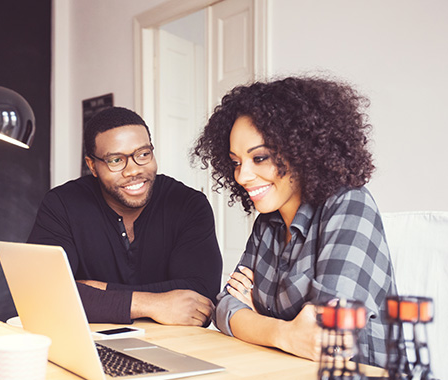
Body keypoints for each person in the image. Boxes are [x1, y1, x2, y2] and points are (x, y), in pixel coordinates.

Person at [192, 77, 396, 366]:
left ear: (304, 150)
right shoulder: (267, 223)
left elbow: (327, 335)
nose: (241, 176)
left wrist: (254, 319)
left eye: (259, 158)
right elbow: (225, 306)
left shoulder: (350, 204)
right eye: (236, 162)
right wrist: (285, 333)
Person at [28, 106, 222, 326]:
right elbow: (41, 292)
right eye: (116, 160)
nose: (133, 171)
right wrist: (152, 304)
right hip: (89, 344)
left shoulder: (188, 204)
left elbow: (201, 300)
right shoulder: (62, 204)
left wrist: (92, 292)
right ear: (92, 165)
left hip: (175, 344)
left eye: (143, 154)